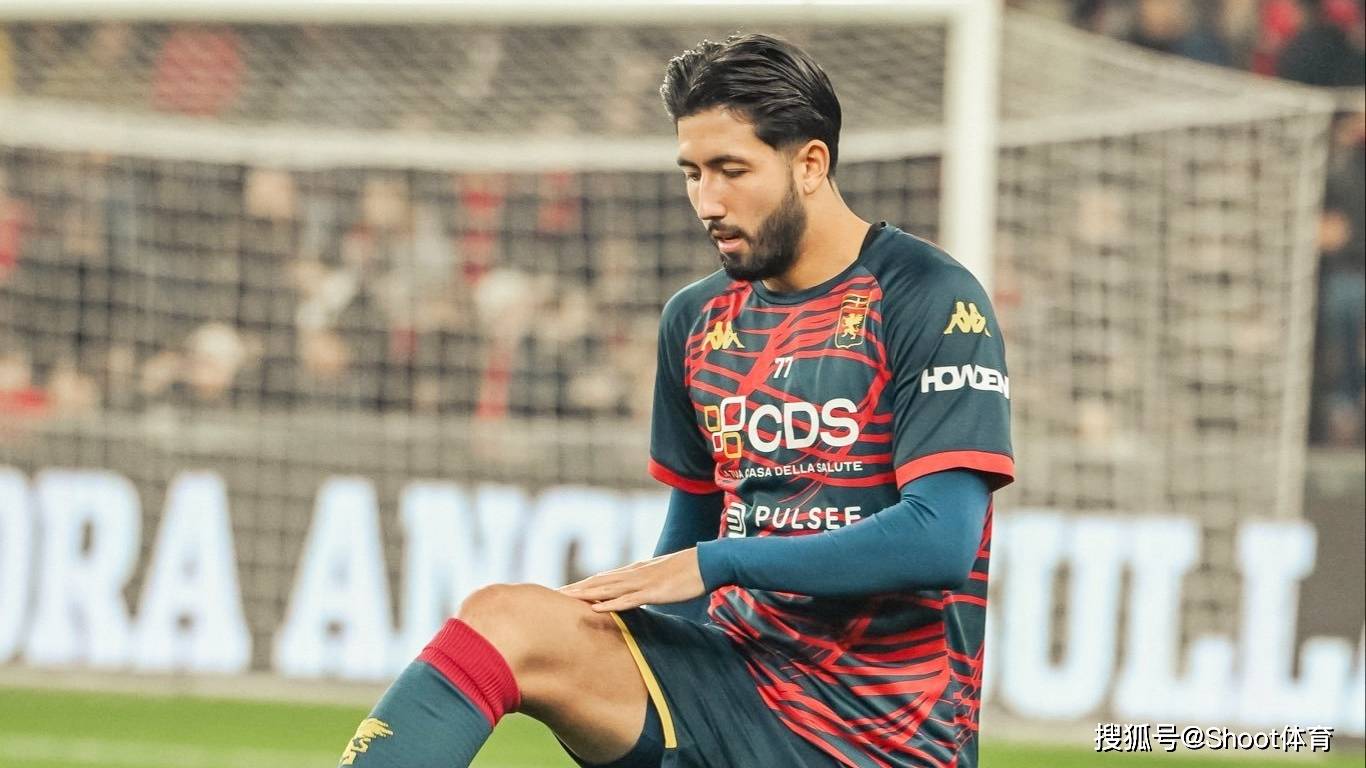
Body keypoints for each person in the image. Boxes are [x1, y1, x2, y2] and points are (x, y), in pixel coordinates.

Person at [340, 33, 1013, 768]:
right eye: (692, 173)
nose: (707, 202)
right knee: (510, 620)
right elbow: (692, 531)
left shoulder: (926, 295)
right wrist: (621, 616)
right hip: (734, 684)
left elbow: (940, 540)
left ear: (810, 164)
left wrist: (723, 563)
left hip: (879, 735)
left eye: (732, 170)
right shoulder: (696, 321)